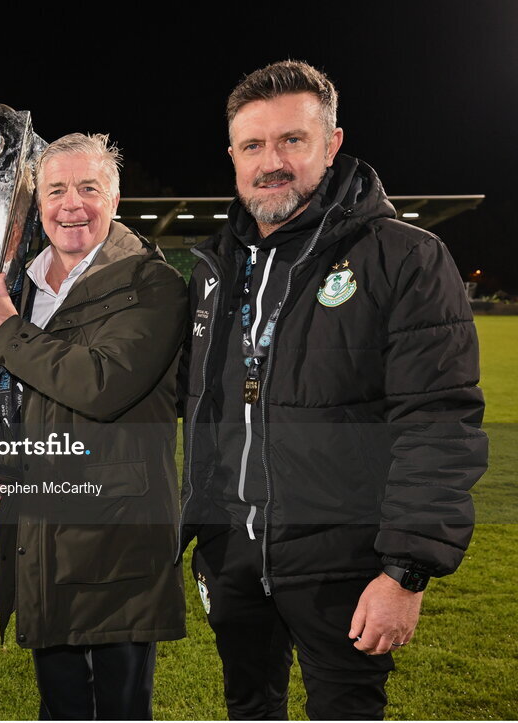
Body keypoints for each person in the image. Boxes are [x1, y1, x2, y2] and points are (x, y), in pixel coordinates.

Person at [179, 60, 488, 720]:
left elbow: (438, 420)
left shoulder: (404, 256)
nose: (272, 161)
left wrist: (405, 570)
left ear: (333, 143)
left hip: (345, 566)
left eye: (293, 139)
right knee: (249, 706)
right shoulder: (215, 267)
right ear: (232, 155)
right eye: (254, 145)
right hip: (234, 559)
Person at [0, 132, 188, 720]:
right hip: (44, 525)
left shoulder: (151, 284)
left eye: (88, 188)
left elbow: (101, 385)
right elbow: (23, 398)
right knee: (59, 704)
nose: (71, 204)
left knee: (120, 705)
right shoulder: (23, 284)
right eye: (55, 189)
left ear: (116, 197)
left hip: (118, 535)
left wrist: (6, 331)